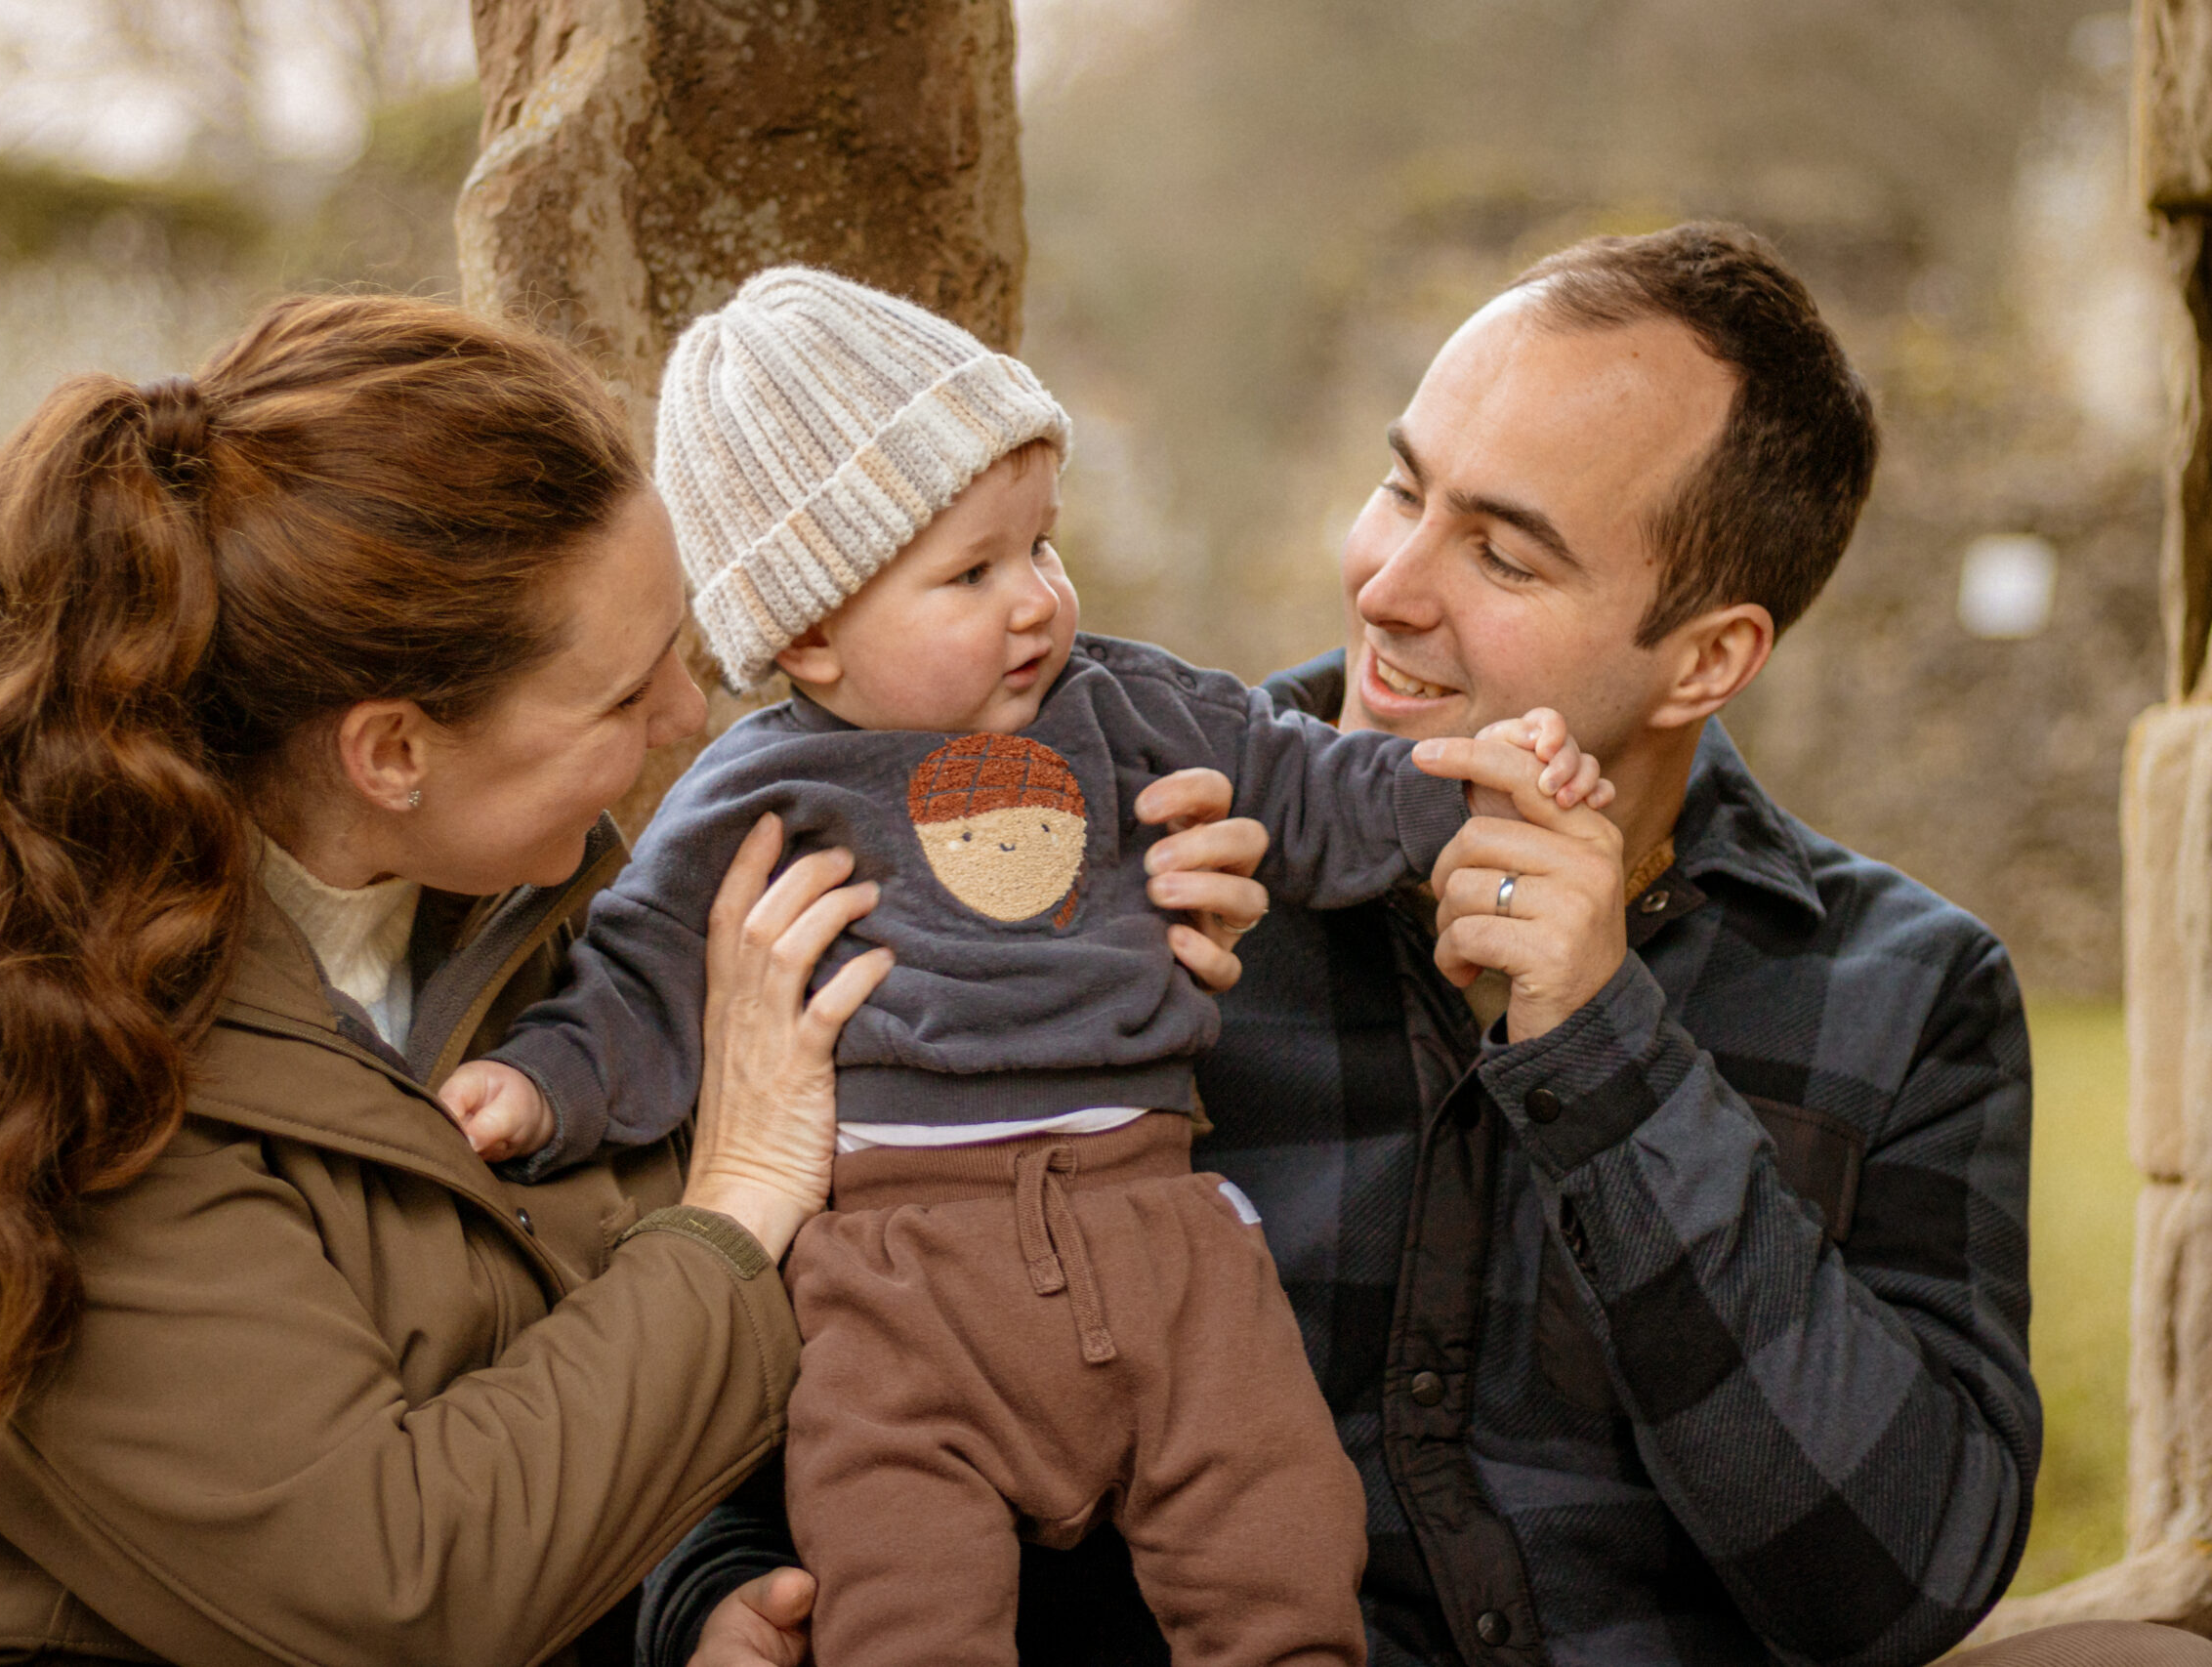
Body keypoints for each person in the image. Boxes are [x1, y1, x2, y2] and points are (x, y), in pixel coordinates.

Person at [649, 226, 2212, 1666]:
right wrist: (711, 1592)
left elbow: (1898, 1582)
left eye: (1505, 556)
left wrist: (1610, 1056)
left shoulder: (1906, 991)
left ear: (1708, 657)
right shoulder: (1084, 842)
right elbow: (811, 1333)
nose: (1388, 586)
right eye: (1404, 488)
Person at [0, 292, 1268, 1667]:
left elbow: (619, 1402)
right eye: (622, 687)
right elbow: (406, 1586)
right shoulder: (30, 1061)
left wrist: (1082, 924)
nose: (686, 713)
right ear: (392, 751)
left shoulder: (532, 913)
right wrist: (735, 1203)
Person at [433, 267, 1612, 1667]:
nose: (1036, 601)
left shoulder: (1125, 705)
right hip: (892, 1272)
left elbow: (1312, 788)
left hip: (1156, 1222)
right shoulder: (759, 793)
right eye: (972, 573)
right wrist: (537, 1085)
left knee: (1272, 1507)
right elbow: (642, 979)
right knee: (891, 1547)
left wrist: (1472, 786)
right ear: (811, 632)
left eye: (1041, 546)